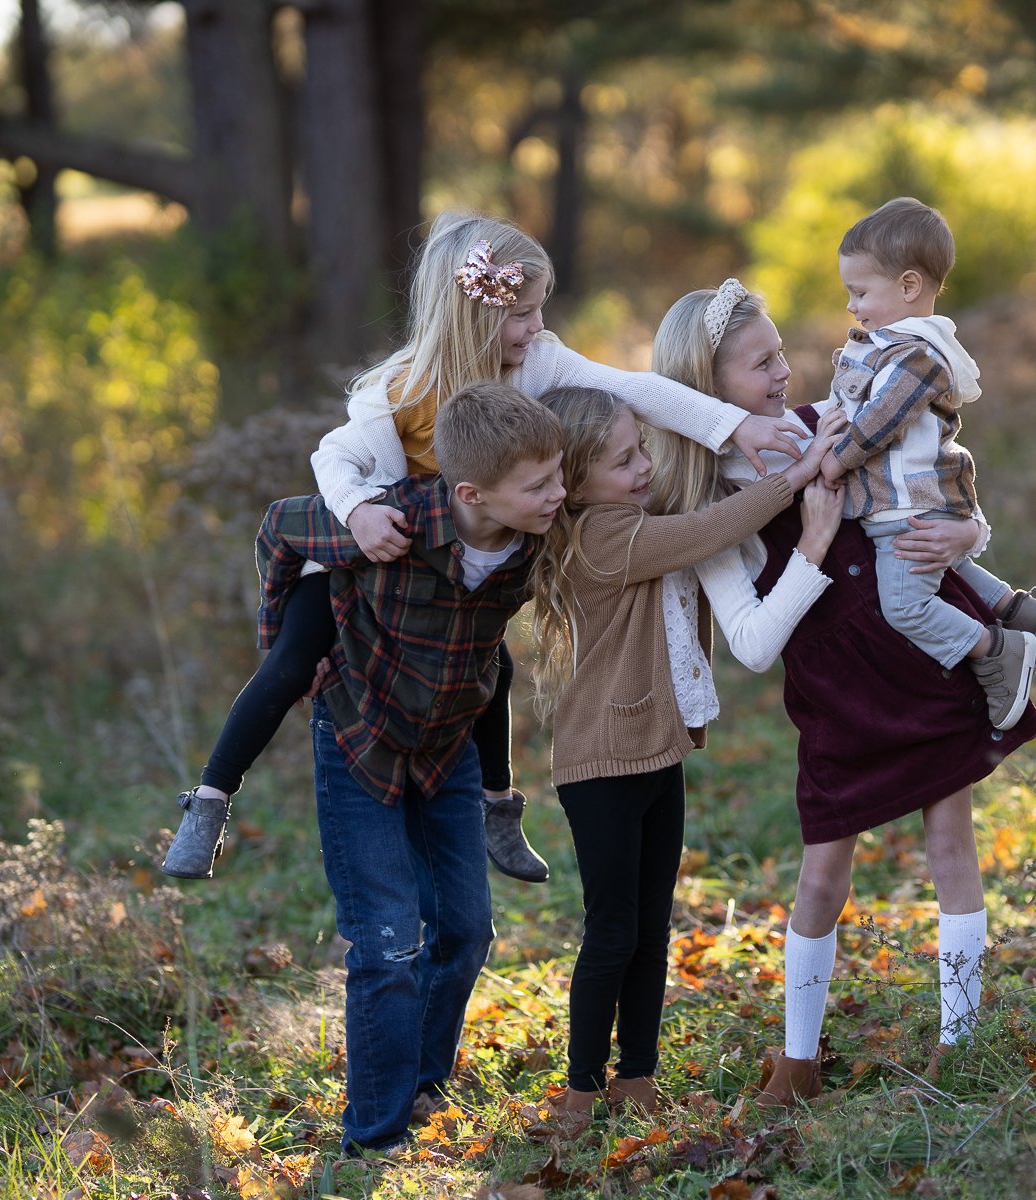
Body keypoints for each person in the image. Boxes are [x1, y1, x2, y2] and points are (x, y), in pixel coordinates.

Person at [160, 212, 805, 882]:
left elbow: (631, 388)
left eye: (539, 310)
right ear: (472, 316)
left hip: (458, 570)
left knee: (491, 671)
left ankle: (499, 805)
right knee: (296, 655)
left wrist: (733, 430)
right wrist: (358, 513)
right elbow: (333, 456)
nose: (536, 327)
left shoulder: (536, 361)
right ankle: (211, 797)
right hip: (373, 554)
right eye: (522, 313)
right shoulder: (401, 391)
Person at [645, 280, 1036, 1110]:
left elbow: (926, 474)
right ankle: (798, 1061)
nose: (784, 373)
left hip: (916, 654)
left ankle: (959, 1043)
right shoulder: (707, 503)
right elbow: (753, 645)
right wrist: (815, 544)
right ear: (707, 387)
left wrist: (974, 532)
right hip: (834, 691)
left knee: (951, 848)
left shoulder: (823, 423)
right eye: (761, 364)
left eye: (782, 352)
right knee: (823, 875)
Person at [252, 382, 565, 1156]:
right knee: (386, 940)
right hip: (359, 739)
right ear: (471, 492)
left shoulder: (533, 537)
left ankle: (421, 1080)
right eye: (541, 484)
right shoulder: (392, 521)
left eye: (560, 476)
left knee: (465, 929)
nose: (560, 493)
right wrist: (294, 652)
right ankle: (375, 1132)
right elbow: (280, 529)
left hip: (447, 745)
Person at [525, 385, 843, 1136]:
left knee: (652, 924)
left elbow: (695, 479)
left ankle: (638, 1077)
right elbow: (709, 528)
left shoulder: (634, 512)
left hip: (654, 751)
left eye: (641, 451)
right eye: (623, 461)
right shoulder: (599, 538)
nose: (642, 469)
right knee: (611, 931)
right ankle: (579, 1089)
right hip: (600, 764)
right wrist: (790, 481)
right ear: (574, 480)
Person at [818, 197, 1036, 731]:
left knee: (905, 607)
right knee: (943, 566)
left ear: (908, 287)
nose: (851, 306)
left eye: (860, 293)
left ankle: (998, 650)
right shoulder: (889, 346)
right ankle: (1019, 613)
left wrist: (834, 461)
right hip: (913, 508)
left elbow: (879, 421)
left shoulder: (917, 356)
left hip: (910, 505)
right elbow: (846, 404)